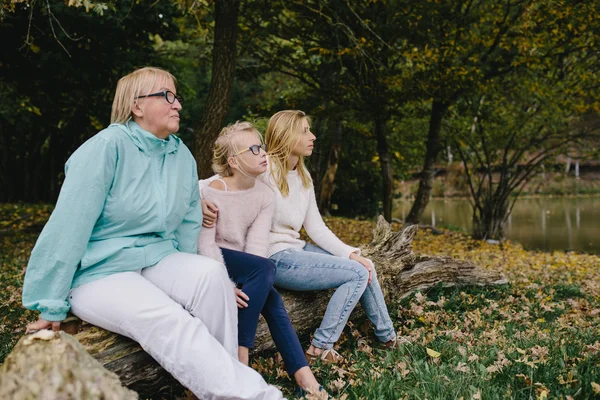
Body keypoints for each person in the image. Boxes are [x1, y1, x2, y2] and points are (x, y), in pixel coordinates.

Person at [21, 67, 283, 399]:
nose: (177, 105)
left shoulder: (181, 156)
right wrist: (51, 304)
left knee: (211, 275)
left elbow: (189, 227)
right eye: (166, 96)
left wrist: (191, 281)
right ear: (137, 106)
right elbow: (67, 228)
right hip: (100, 271)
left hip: (158, 257)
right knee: (169, 318)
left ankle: (216, 381)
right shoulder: (105, 148)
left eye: (177, 97)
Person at [201, 110, 402, 364]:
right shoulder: (264, 167)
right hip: (274, 257)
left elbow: (316, 228)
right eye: (305, 131)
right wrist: (199, 201)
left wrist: (350, 252)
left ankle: (388, 337)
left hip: (297, 249)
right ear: (286, 135)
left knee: (364, 264)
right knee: (356, 273)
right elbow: (213, 182)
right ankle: (320, 347)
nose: (313, 137)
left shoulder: (304, 176)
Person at [197, 121, 326, 397]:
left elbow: (256, 245)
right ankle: (241, 357)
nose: (263, 153)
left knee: (270, 293)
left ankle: (305, 378)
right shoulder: (210, 191)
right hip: (210, 259)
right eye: (254, 149)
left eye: (262, 147)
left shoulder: (264, 195)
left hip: (246, 264)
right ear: (234, 161)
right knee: (265, 272)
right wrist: (223, 282)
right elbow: (205, 243)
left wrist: (251, 281)